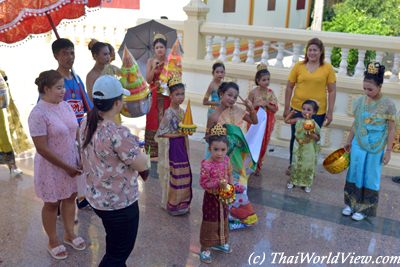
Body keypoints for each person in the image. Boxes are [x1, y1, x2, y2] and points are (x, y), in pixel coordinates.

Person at [80, 75, 150, 266]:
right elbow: (143, 164)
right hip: (120, 204)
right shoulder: (118, 133)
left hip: (97, 198)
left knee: (114, 243)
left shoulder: (86, 122)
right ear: (118, 103)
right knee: (117, 255)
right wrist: (138, 150)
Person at [28, 70, 86, 260]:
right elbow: (42, 148)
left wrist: (79, 157)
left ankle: (69, 233)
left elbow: (75, 132)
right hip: (51, 167)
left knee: (70, 198)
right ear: (46, 89)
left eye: (63, 87)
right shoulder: (38, 113)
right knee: (52, 204)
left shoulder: (66, 106)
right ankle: (52, 240)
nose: (64, 91)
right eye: (59, 88)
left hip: (71, 161)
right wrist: (66, 167)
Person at [342, 62, 396, 221]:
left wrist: (388, 151)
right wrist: (349, 140)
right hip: (358, 143)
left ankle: (365, 209)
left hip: (376, 146)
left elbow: (392, 129)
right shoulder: (360, 101)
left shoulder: (389, 105)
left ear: (380, 86)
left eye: (370, 89)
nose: (367, 92)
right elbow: (356, 123)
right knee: (355, 172)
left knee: (370, 176)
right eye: (364, 88)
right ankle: (351, 204)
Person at [207, 82, 259, 230]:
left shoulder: (237, 110)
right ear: (221, 94)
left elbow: (254, 121)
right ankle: (224, 214)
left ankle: (235, 214)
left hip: (237, 156)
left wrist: (250, 108)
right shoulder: (214, 116)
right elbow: (208, 137)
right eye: (229, 95)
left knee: (237, 185)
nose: (232, 99)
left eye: (235, 97)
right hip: (220, 156)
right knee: (222, 184)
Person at [284, 38, 336, 175]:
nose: (312, 53)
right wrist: (286, 108)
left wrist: (330, 112)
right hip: (297, 109)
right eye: (310, 50)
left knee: (312, 139)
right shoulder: (298, 66)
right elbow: (289, 87)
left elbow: (332, 91)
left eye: (315, 50)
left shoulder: (327, 68)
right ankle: (293, 165)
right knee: (296, 137)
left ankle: (308, 168)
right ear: (306, 51)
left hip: (317, 113)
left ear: (321, 52)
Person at [156, 75, 192, 215]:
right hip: (173, 147)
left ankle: (183, 203)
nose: (181, 97)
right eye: (177, 94)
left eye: (182, 94)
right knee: (175, 174)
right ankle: (174, 205)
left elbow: (186, 128)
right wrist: (178, 135)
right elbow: (161, 133)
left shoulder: (182, 112)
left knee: (185, 174)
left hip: (182, 145)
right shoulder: (169, 113)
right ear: (170, 95)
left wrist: (188, 131)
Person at [199, 124, 233, 264]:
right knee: (210, 221)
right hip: (211, 198)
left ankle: (220, 242)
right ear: (209, 149)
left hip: (223, 197)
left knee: (223, 219)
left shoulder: (226, 160)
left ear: (227, 149)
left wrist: (230, 188)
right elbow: (203, 183)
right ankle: (205, 248)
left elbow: (230, 174)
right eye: (216, 149)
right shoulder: (206, 165)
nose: (219, 153)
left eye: (223, 150)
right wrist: (217, 184)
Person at [52, 38, 92, 125]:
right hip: (62, 132)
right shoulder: (52, 80)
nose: (70, 57)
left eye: (72, 53)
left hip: (80, 132)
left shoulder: (77, 79)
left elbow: (88, 106)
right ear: (56, 56)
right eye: (65, 53)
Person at [247, 63, 278, 176]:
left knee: (263, 143)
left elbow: (275, 108)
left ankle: (258, 165)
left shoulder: (271, 93)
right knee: (253, 141)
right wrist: (256, 104)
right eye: (264, 80)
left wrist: (266, 104)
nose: (266, 82)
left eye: (268, 79)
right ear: (258, 80)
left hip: (266, 122)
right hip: (255, 120)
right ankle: (250, 163)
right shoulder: (253, 92)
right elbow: (247, 106)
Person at [285, 100, 321, 193]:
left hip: (308, 147)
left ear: (314, 112)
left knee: (307, 164)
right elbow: (287, 121)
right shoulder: (298, 120)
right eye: (304, 109)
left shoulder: (314, 124)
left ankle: (307, 183)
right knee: (295, 163)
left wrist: (311, 133)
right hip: (297, 146)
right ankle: (293, 181)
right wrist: (291, 113)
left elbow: (317, 138)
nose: (305, 111)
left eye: (309, 110)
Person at [0, 70, 31, 177]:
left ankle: (13, 166)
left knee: (4, 137)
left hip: (1, 112)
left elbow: (5, 94)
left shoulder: (1, 72)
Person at [145, 33, 171, 158]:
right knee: (153, 120)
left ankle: (165, 148)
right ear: (154, 49)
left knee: (165, 118)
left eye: (161, 47)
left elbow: (174, 78)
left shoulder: (169, 62)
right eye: (157, 47)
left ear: (165, 48)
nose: (159, 49)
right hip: (154, 95)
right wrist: (154, 68)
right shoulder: (150, 61)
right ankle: (152, 150)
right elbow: (148, 80)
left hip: (166, 95)